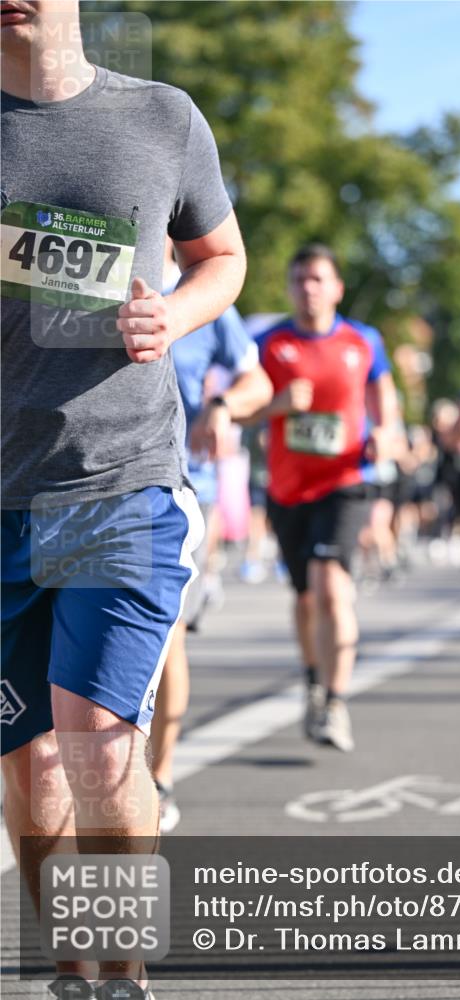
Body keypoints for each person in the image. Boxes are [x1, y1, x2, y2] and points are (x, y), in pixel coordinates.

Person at [1, 4, 245, 997]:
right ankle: (70, 967)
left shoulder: (161, 118)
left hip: (124, 481)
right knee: (28, 764)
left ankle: (124, 976)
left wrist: (171, 315)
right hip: (4, 492)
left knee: (98, 741)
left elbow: (222, 259)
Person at [253, 244, 398, 751]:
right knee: (305, 596)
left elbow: (387, 404)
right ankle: (314, 680)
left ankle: (335, 703)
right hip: (288, 489)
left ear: (337, 287)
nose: (307, 288)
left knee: (331, 585)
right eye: (299, 279)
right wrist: (276, 403)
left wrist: (389, 433)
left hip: (345, 480)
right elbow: (241, 410)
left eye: (317, 279)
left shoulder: (364, 341)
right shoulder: (268, 343)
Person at [151, 245, 272, 833]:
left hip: (179, 491)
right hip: (86, 489)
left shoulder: (202, 295)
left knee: (165, 634)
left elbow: (259, 381)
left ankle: (160, 775)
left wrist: (223, 406)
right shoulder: (95, 281)